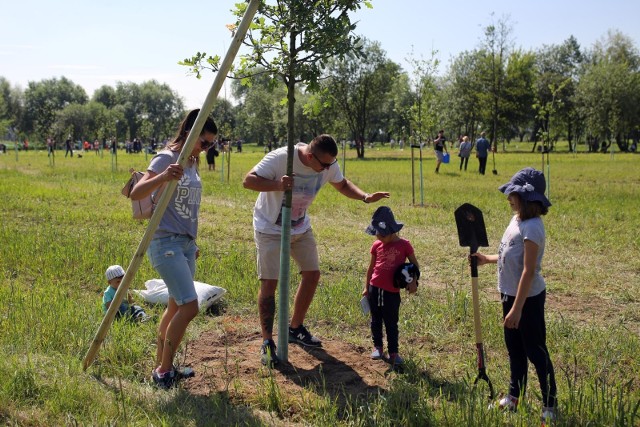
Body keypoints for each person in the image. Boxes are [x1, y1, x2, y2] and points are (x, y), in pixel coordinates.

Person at [243, 134, 390, 366]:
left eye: (331, 164)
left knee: (312, 274)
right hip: (270, 227)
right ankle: (268, 341)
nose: (328, 169)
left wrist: (364, 197)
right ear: (310, 156)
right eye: (324, 165)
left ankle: (295, 328)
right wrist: (278, 185)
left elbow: (341, 184)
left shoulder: (327, 163)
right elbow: (248, 181)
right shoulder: (282, 158)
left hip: (300, 226)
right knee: (269, 283)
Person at [130, 108, 217, 389]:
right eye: (204, 142)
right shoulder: (168, 157)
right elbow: (137, 192)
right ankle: (164, 372)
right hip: (165, 243)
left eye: (211, 145)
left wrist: (193, 241)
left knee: (174, 307)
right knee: (189, 307)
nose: (206, 149)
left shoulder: (192, 162)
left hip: (186, 244)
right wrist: (164, 176)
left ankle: (162, 367)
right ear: (191, 133)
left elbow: (187, 210)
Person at [471, 167, 557, 424]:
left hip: (527, 300)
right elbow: (510, 255)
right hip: (510, 296)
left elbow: (529, 271)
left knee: (535, 351)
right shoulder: (517, 220)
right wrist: (487, 259)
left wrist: (518, 309)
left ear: (529, 198)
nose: (508, 197)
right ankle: (514, 397)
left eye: (514, 194)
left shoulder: (533, 228)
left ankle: (550, 404)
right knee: (515, 350)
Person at [362, 206, 419, 367]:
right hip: (375, 288)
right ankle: (378, 348)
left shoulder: (405, 245)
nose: (378, 236)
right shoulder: (376, 245)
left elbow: (415, 266)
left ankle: (393, 352)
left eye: (382, 234)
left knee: (391, 321)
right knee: (376, 320)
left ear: (393, 230)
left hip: (392, 292)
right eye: (377, 233)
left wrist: (413, 282)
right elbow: (371, 268)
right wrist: (367, 287)